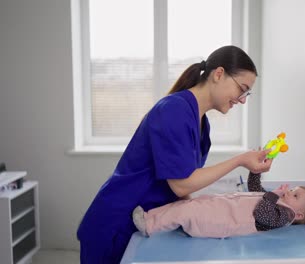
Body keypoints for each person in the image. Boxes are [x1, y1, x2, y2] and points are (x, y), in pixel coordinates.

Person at [77, 46, 273, 264]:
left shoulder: (201, 123)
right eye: (242, 89)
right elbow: (181, 184)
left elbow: (184, 187)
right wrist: (240, 160)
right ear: (218, 74)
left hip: (144, 221)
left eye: (247, 93)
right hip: (116, 224)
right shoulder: (174, 110)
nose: (242, 100)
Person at [132, 172, 305, 238]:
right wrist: (255, 171)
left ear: (298, 215)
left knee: (187, 211)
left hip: (222, 221)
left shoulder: (283, 217)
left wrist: (274, 194)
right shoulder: (278, 201)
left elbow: (262, 214)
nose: (289, 192)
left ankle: (149, 226)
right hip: (221, 206)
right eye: (293, 189)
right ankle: (150, 216)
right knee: (187, 204)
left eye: (295, 195)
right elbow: (254, 188)